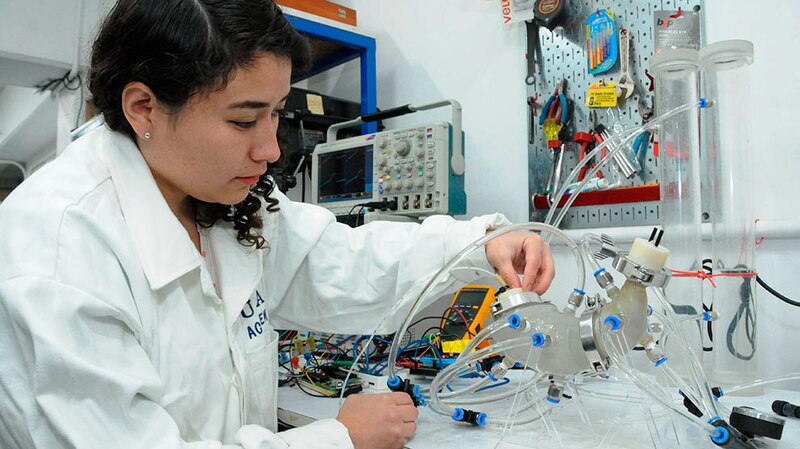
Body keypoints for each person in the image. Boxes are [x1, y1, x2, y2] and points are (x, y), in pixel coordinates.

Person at [0, 1, 554, 448]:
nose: (269, 149)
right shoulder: (58, 254)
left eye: (277, 113)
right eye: (244, 119)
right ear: (144, 108)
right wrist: (338, 437)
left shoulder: (219, 195)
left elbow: (342, 261)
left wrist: (480, 243)